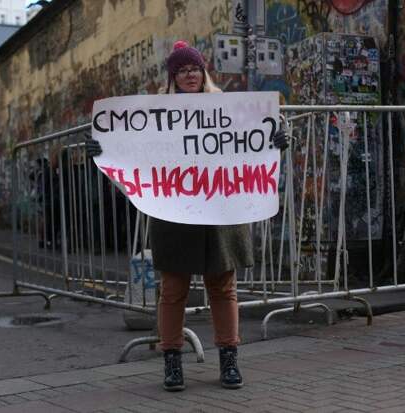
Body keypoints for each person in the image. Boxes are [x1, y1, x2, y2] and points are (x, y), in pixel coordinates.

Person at [86, 41, 289, 391]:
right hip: (174, 212)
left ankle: (229, 359)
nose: (189, 75)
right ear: (172, 77)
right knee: (173, 289)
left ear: (203, 71)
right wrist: (104, 150)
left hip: (221, 210)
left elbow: (250, 143)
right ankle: (172, 361)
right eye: (181, 70)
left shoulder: (228, 108)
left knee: (222, 287)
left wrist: (275, 141)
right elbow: (134, 151)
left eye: (194, 68)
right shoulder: (156, 114)